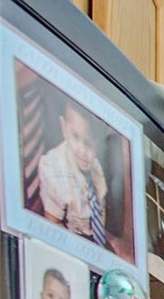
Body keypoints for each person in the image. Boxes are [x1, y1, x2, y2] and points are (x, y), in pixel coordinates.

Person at [34, 102, 110, 248]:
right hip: (69, 239)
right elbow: (52, 223)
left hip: (92, 234)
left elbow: (100, 206)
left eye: (89, 143)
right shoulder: (55, 171)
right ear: (64, 128)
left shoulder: (95, 166)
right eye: (75, 137)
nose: (82, 150)